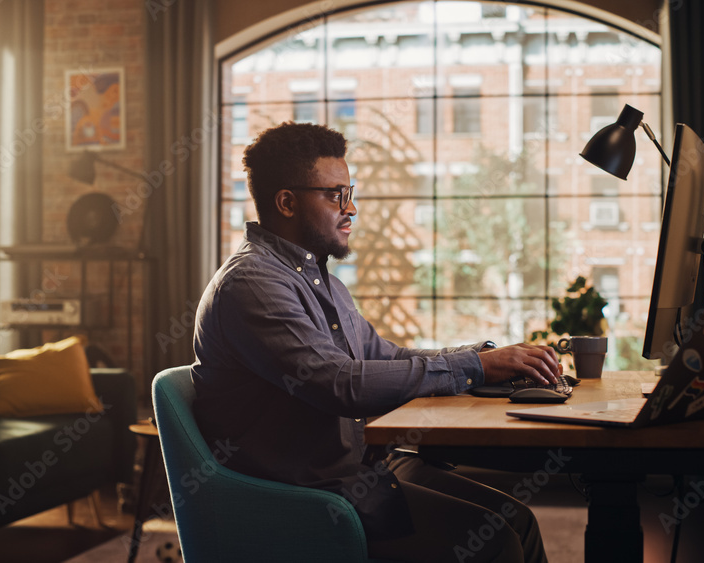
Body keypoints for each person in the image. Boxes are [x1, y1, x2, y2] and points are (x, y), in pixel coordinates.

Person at [191, 121, 562, 562]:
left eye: (350, 193)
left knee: (519, 520)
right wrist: (477, 369)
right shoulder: (252, 285)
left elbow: (385, 357)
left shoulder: (321, 281)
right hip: (306, 495)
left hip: (358, 470)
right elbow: (340, 385)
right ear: (286, 202)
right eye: (335, 195)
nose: (351, 209)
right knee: (495, 541)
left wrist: (482, 357)